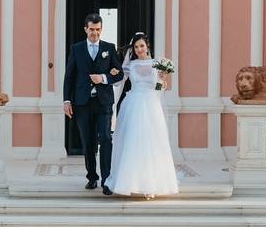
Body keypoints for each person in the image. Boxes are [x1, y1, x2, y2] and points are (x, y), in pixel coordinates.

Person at [104, 32, 179, 198]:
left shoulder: (157, 65)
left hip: (151, 105)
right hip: (134, 104)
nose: (139, 49)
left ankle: (151, 185)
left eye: (141, 46)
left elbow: (159, 90)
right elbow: (119, 84)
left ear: (147, 46)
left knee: (152, 144)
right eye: (136, 47)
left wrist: (162, 79)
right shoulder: (130, 66)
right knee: (133, 143)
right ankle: (130, 182)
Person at [63, 13, 124, 195]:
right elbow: (69, 77)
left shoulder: (109, 48)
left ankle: (107, 179)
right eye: (91, 29)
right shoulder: (76, 49)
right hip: (82, 103)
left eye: (98, 29)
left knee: (105, 138)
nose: (95, 33)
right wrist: (67, 100)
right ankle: (92, 177)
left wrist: (104, 78)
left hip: (103, 102)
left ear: (101, 29)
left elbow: (119, 74)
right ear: (85, 29)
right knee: (88, 141)